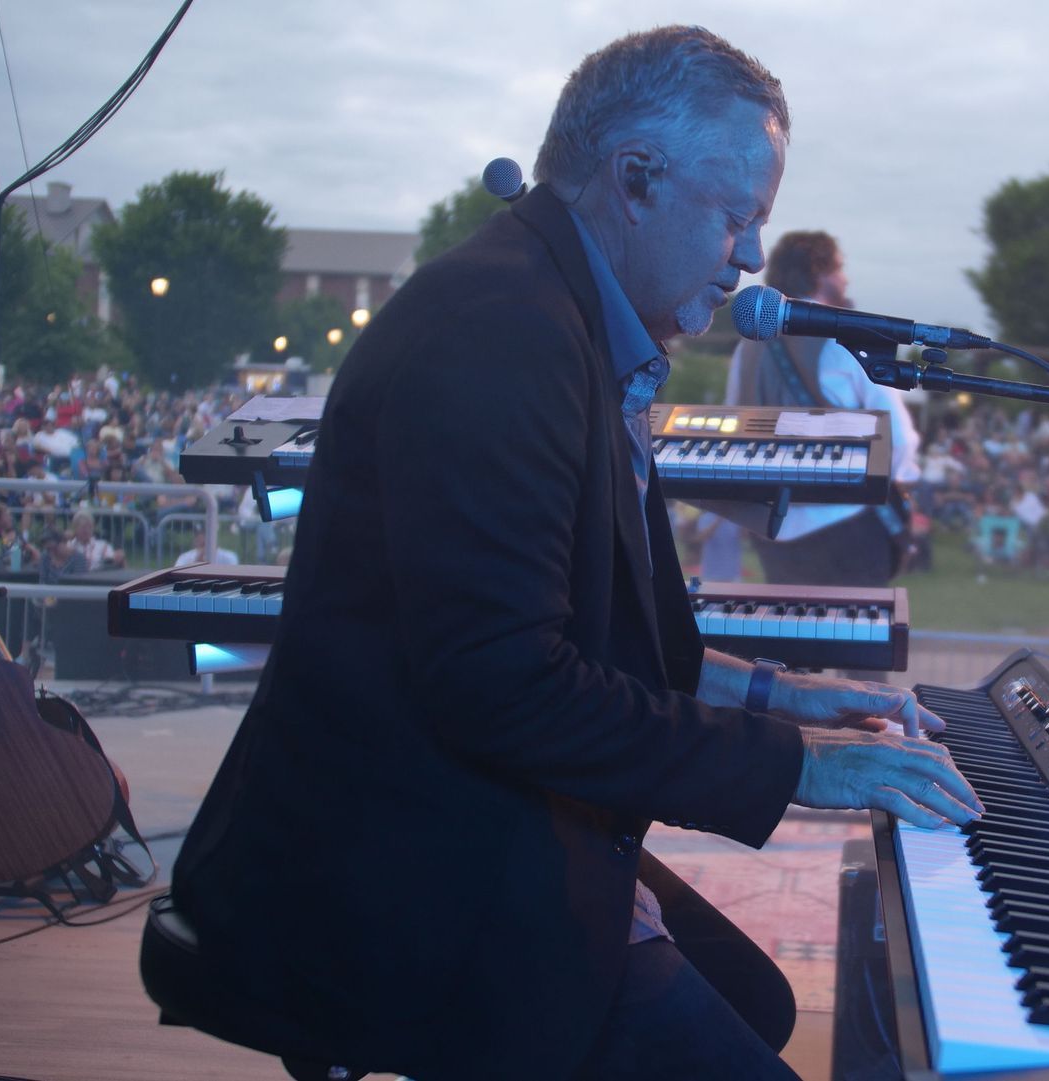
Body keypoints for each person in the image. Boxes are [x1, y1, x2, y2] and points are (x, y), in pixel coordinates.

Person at [167, 28, 981, 1081]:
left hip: (464, 817)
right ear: (634, 181)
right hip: (401, 865)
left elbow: (626, 646)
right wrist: (807, 770)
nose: (745, 260)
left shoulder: (572, 323)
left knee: (760, 1000)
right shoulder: (501, 334)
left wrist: (795, 695)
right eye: (736, 220)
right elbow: (507, 685)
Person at [725, 230, 922, 586]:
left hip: (772, 529)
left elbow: (734, 425)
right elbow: (898, 439)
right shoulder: (844, 339)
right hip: (846, 526)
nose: (845, 279)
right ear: (820, 271)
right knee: (855, 636)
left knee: (792, 635)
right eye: (840, 268)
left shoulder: (748, 346)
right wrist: (899, 485)